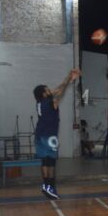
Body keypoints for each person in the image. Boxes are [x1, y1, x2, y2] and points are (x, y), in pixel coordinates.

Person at [33, 67, 81, 199]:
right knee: (51, 162)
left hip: (39, 134)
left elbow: (58, 88)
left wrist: (69, 78)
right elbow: (60, 92)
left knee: (44, 161)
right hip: (49, 136)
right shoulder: (50, 102)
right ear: (44, 93)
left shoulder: (39, 102)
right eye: (47, 90)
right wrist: (68, 81)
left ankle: (45, 186)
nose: (50, 90)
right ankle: (51, 188)